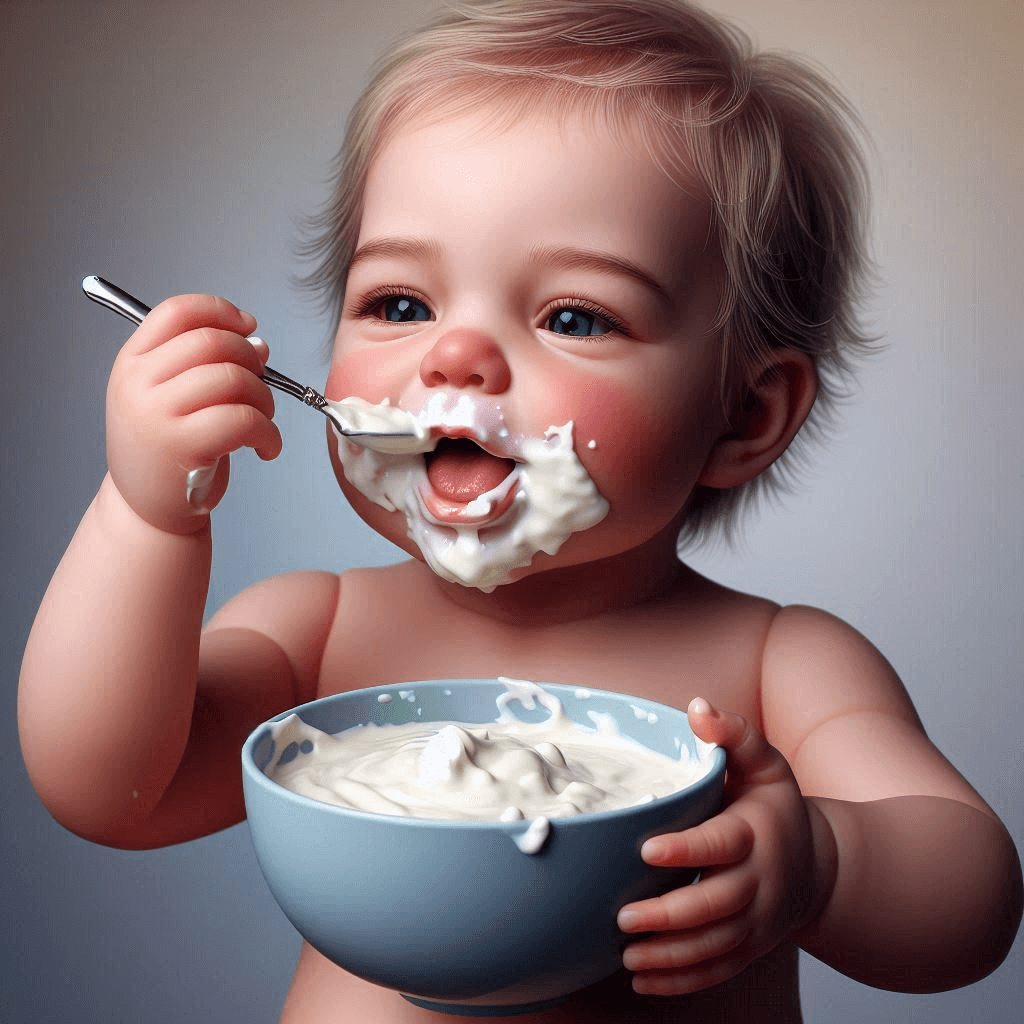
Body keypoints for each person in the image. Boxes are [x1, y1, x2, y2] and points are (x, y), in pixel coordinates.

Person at [18, 1, 1021, 1021]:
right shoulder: (316, 633)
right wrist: (147, 517)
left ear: (742, 413)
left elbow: (972, 901)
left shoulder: (777, 666)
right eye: (400, 305)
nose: (455, 356)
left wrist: (823, 861)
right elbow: (106, 786)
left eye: (572, 316)